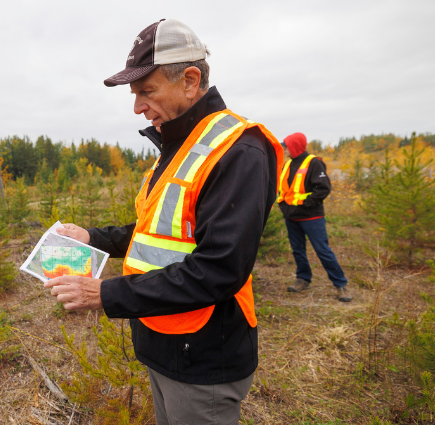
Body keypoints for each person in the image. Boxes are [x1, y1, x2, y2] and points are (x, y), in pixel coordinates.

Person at [44, 19, 283, 424]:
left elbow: (218, 269)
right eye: (135, 93)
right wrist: (92, 237)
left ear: (190, 80)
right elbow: (155, 231)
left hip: (204, 356)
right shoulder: (178, 144)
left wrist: (106, 294)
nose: (137, 106)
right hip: (163, 343)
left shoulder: (237, 151)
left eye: (146, 91)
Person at [277, 132, 351, 302]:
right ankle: (303, 279)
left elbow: (323, 189)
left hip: (311, 217)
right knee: (298, 250)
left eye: (286, 145)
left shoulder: (314, 163)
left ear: (295, 146)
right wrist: (285, 207)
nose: (284, 148)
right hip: (291, 217)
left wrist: (305, 204)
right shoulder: (288, 165)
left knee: (322, 251)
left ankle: (341, 285)